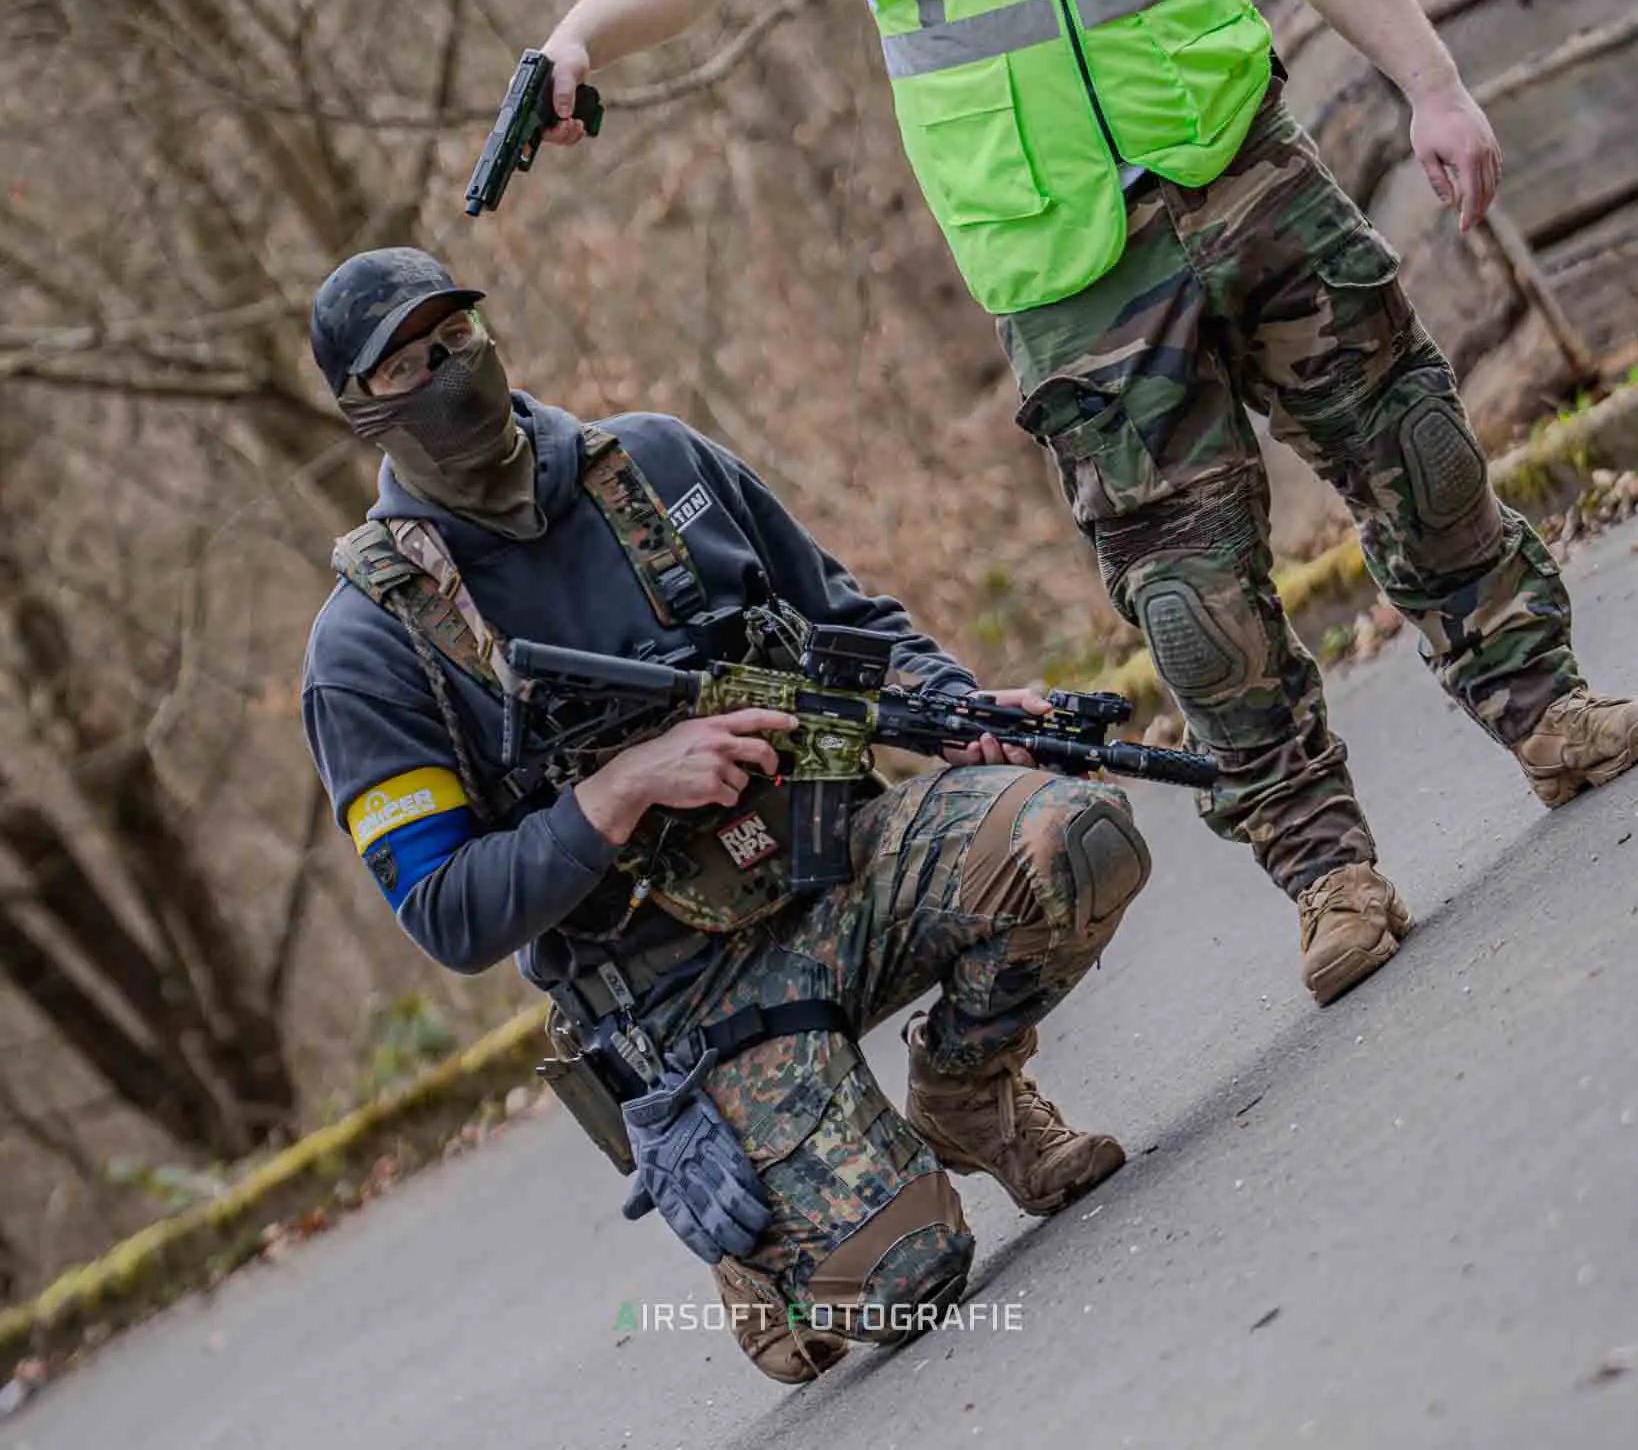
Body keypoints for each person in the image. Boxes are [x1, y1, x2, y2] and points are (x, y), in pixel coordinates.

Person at [527, 0, 1638, 1008]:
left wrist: (1432, 84)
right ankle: (1327, 873)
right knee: (1194, 606)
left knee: (1418, 453)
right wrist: (581, 36)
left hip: (1244, 173)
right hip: (1068, 267)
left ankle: (1547, 710)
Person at [301, 246, 1152, 1383]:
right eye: (407, 363)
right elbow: (450, 912)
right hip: (680, 997)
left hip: (834, 854)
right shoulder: (365, 647)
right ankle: (763, 1255)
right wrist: (621, 788)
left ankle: (969, 1092)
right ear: (361, 407)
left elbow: (844, 623)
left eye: (455, 336)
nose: (448, 369)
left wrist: (960, 711)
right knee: (906, 1276)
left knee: (1073, 837)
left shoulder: (653, 461)